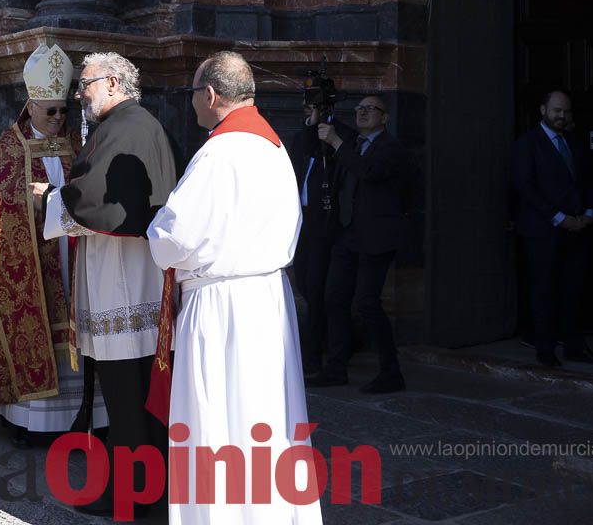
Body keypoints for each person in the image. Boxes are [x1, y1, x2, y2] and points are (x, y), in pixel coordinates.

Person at [147, 51, 321, 525]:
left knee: (215, 420)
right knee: (265, 414)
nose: (191, 103)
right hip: (267, 299)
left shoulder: (218, 152)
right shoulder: (274, 146)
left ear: (210, 95)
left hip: (220, 305)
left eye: (193, 94)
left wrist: (154, 230)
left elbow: (176, 237)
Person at [0, 45, 109, 442]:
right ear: (31, 106)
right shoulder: (8, 148)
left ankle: (84, 414)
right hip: (31, 260)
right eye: (50, 111)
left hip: (73, 257)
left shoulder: (76, 143)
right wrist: (31, 205)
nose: (57, 119)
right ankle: (34, 419)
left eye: (63, 111)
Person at [37, 51, 176, 519]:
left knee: (126, 397)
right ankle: (144, 490)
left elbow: (92, 200)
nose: (79, 92)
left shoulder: (124, 128)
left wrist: (50, 200)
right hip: (133, 279)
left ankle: (132, 495)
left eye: (86, 83)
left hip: (124, 283)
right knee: (134, 395)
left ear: (114, 83)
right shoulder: (135, 124)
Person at [308, 94, 410, 392]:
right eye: (359, 108)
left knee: (368, 302)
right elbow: (318, 149)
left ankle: (391, 372)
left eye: (371, 109)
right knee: (334, 298)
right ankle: (336, 368)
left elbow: (368, 172)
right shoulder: (352, 143)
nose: (363, 113)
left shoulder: (391, 148)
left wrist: (337, 143)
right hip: (347, 235)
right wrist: (317, 118)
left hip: (377, 238)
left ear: (385, 117)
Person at [511, 90, 593, 367]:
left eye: (566, 111)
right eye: (556, 110)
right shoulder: (527, 144)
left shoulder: (574, 142)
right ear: (543, 110)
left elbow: (587, 180)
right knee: (544, 290)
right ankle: (545, 349)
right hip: (543, 231)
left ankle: (576, 347)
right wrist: (559, 218)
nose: (562, 116)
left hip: (578, 229)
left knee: (574, 290)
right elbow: (525, 187)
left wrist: (588, 213)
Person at [287, 81, 355, 376]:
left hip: (329, 223)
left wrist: (332, 135)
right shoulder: (308, 136)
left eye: (315, 104)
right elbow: (304, 148)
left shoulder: (341, 135)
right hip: (304, 220)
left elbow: (348, 166)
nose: (309, 109)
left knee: (320, 292)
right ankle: (315, 351)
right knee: (304, 282)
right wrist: (312, 122)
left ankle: (316, 358)